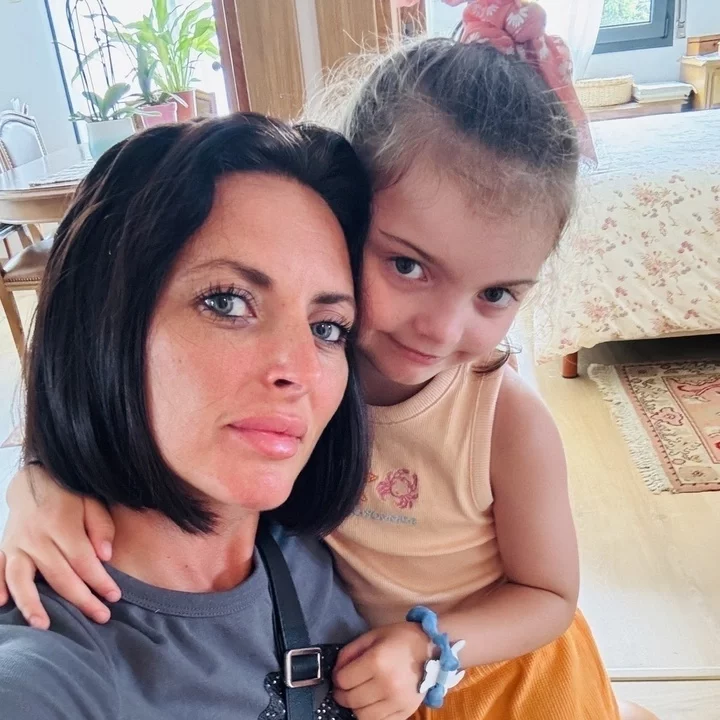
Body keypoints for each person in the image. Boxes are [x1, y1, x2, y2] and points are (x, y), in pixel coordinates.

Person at [1, 18, 657, 720]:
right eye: (407, 265)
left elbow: (550, 594)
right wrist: (43, 482)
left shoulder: (503, 419)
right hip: (376, 682)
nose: (442, 329)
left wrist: (428, 646)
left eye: (495, 294)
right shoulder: (310, 381)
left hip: (501, 680)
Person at [0, 113, 375, 719]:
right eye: (227, 302)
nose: (300, 370)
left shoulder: (337, 549)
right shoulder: (55, 662)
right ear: (103, 327)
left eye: (327, 327)